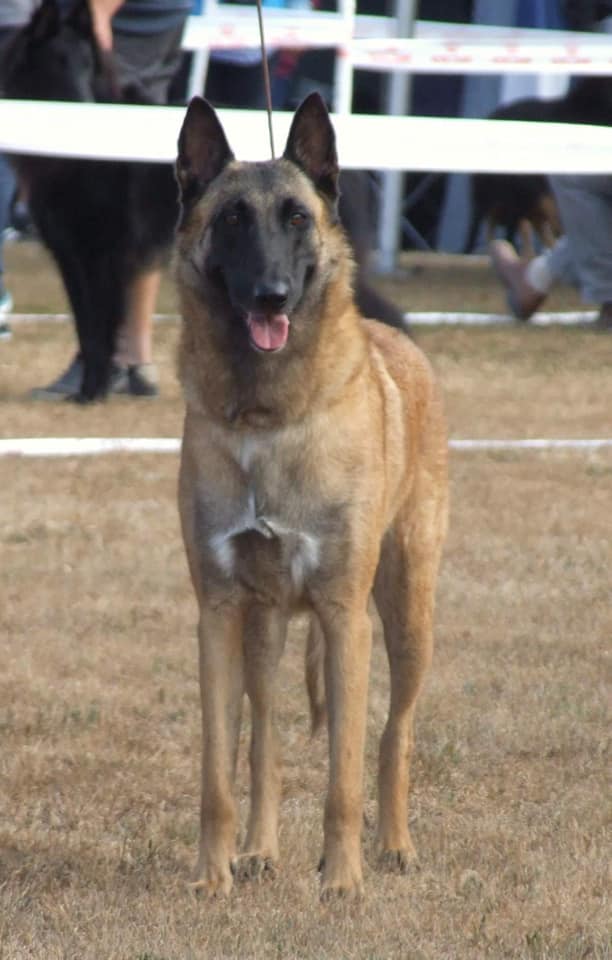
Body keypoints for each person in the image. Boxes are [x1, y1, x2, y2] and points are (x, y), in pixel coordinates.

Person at [31, 0, 191, 399]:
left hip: (115, 17)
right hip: (140, 16)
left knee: (98, 234)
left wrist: (99, 11)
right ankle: (132, 358)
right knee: (129, 226)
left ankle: (100, 361)